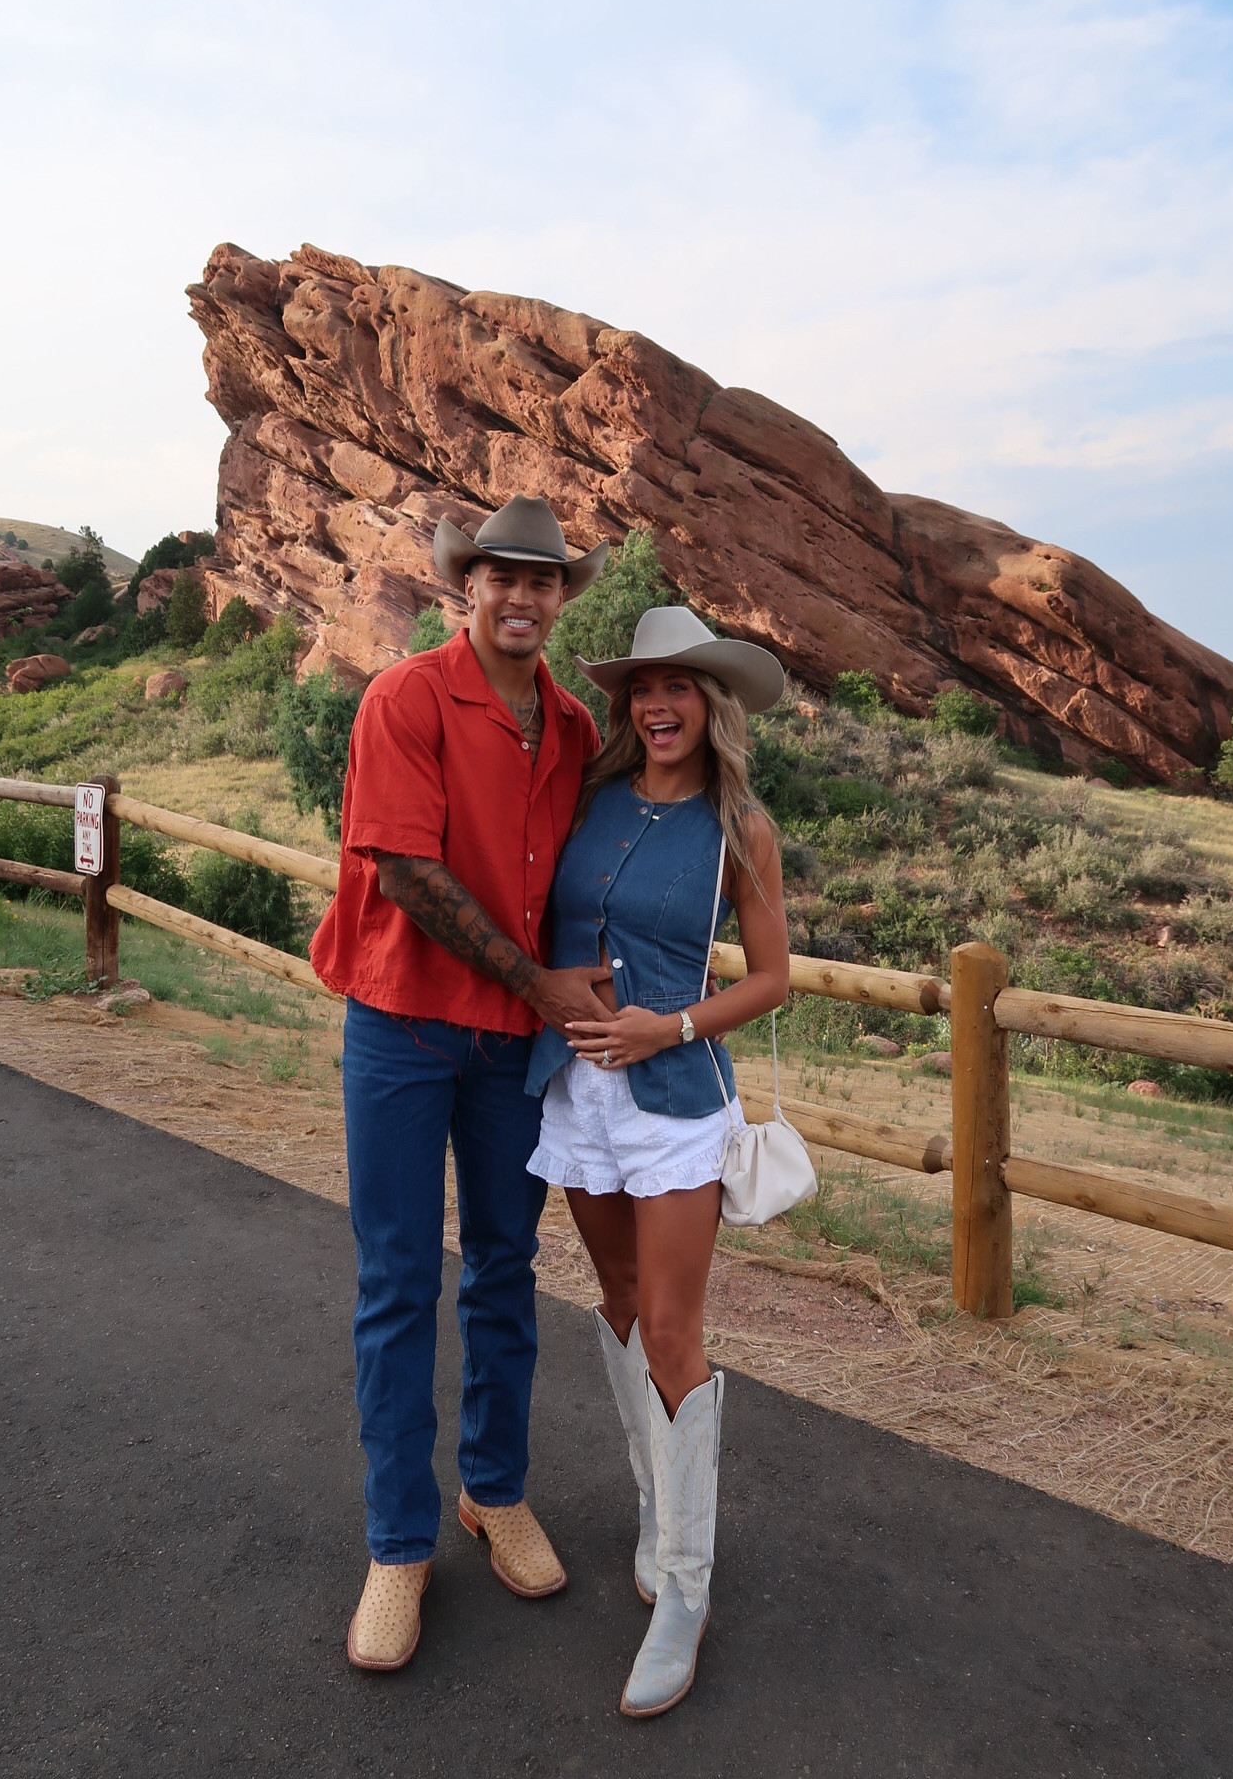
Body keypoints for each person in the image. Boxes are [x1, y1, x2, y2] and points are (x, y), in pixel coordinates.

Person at [311, 494, 615, 1674]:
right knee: (396, 1279)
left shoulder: (578, 727)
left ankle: (494, 1490)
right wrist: (541, 983)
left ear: (560, 597)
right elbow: (404, 870)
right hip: (400, 1026)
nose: (523, 596)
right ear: (466, 587)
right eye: (503, 577)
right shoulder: (408, 696)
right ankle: (399, 1542)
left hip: (508, 1046)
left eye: (544, 581)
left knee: (504, 1266)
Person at [525, 604, 791, 1719]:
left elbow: (773, 978)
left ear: (713, 701)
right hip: (577, 1091)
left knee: (676, 1330)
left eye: (680, 687)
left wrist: (665, 1026)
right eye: (643, 687)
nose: (659, 704)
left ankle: (685, 1587)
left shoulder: (742, 823)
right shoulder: (588, 796)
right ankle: (655, 1507)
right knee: (621, 1297)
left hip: (677, 1099)